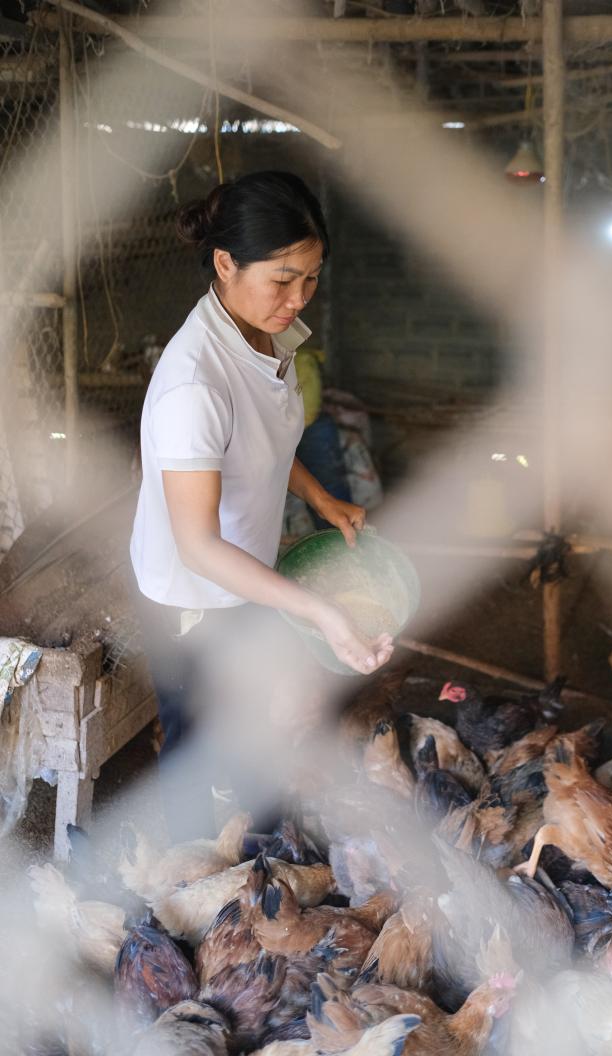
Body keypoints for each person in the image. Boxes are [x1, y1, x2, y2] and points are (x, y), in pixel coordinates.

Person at [130, 171, 393, 841]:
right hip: (193, 591)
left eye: (310, 277)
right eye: (283, 279)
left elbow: (264, 442)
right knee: (196, 738)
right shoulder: (194, 386)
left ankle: (268, 853)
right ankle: (189, 877)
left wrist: (321, 497)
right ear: (225, 263)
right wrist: (314, 607)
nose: (298, 297)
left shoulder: (265, 331)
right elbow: (198, 546)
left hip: (247, 570)